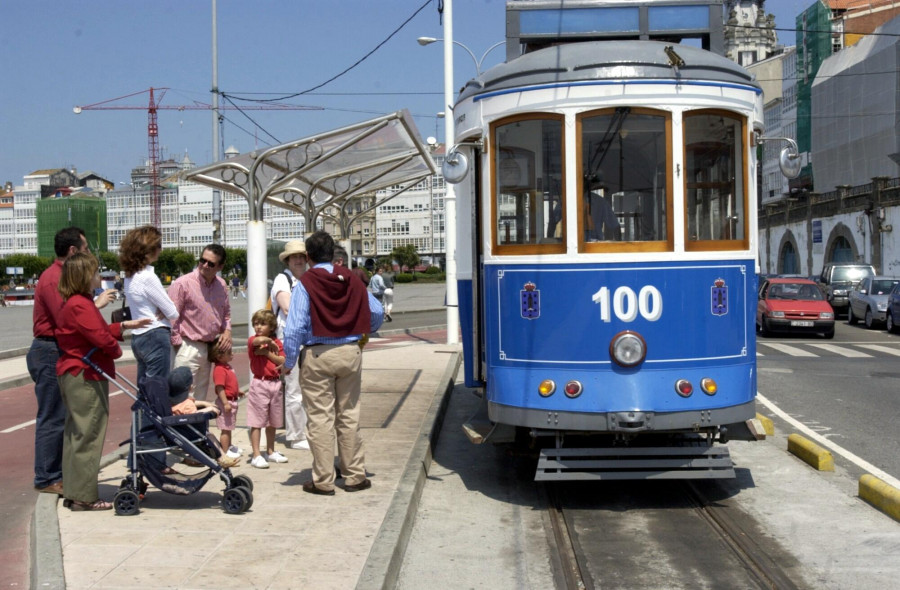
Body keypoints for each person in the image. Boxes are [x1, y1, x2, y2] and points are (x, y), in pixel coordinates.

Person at [282, 230, 384, 495]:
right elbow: (377, 311)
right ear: (333, 253)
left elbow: (293, 328)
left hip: (317, 355)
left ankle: (323, 480)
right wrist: (363, 328)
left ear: (308, 256)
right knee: (349, 415)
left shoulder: (305, 282)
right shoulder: (351, 278)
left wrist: (289, 360)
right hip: (350, 352)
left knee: (320, 418)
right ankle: (354, 476)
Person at [56, 252, 152, 511]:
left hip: (73, 371)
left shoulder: (73, 302)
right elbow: (99, 337)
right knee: (90, 434)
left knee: (76, 435)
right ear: (84, 275)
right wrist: (116, 349)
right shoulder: (82, 304)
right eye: (95, 271)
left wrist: (124, 326)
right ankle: (84, 496)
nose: (99, 276)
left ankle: (74, 489)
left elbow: (89, 333)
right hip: (86, 374)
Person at [27, 227, 116, 496]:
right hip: (50, 349)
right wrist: (96, 306)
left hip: (55, 348)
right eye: (86, 248)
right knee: (53, 417)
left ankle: (60, 473)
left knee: (63, 417)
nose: (89, 253)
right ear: (73, 251)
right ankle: (47, 476)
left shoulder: (57, 276)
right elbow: (66, 319)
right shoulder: (55, 278)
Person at [169, 244, 232, 401]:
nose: (205, 265)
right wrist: (178, 344)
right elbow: (171, 316)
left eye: (211, 263)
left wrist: (227, 331)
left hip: (208, 348)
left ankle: (198, 426)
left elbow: (226, 314)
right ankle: (181, 426)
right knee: (183, 398)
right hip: (187, 345)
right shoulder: (183, 283)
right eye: (202, 260)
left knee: (200, 398)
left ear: (220, 266)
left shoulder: (221, 285)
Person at [119, 225, 179, 384]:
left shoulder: (130, 276)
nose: (160, 249)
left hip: (138, 336)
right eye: (158, 246)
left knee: (144, 388)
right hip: (155, 334)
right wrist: (163, 310)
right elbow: (172, 312)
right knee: (157, 387)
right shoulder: (148, 277)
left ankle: (141, 410)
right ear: (149, 250)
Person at [270, 240, 310, 451]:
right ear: (287, 260)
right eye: (294, 257)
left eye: (301, 257)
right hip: (289, 340)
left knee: (309, 389)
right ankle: (295, 436)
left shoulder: (308, 280)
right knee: (294, 389)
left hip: (309, 342)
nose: (298, 260)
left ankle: (306, 431)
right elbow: (287, 308)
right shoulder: (282, 279)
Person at [247, 309, 287, 469]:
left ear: (271, 327)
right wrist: (268, 343)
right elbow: (257, 342)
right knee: (257, 421)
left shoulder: (277, 343)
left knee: (273, 421)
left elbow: (281, 360)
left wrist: (267, 352)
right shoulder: (253, 340)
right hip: (260, 383)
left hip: (275, 383)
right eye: (256, 324)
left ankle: (270, 451)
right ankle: (256, 454)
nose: (258, 327)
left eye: (262, 324)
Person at [209, 335, 242, 459]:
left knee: (229, 427)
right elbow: (220, 387)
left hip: (231, 400)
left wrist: (237, 392)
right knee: (225, 429)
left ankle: (229, 446)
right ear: (219, 356)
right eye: (229, 353)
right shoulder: (219, 369)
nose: (232, 354)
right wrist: (225, 403)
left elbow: (230, 384)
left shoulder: (227, 367)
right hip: (226, 402)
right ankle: (224, 451)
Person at [584, 174, 621, 241]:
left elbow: (615, 226)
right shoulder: (565, 202)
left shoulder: (600, 202)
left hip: (596, 247)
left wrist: (620, 247)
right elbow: (616, 227)